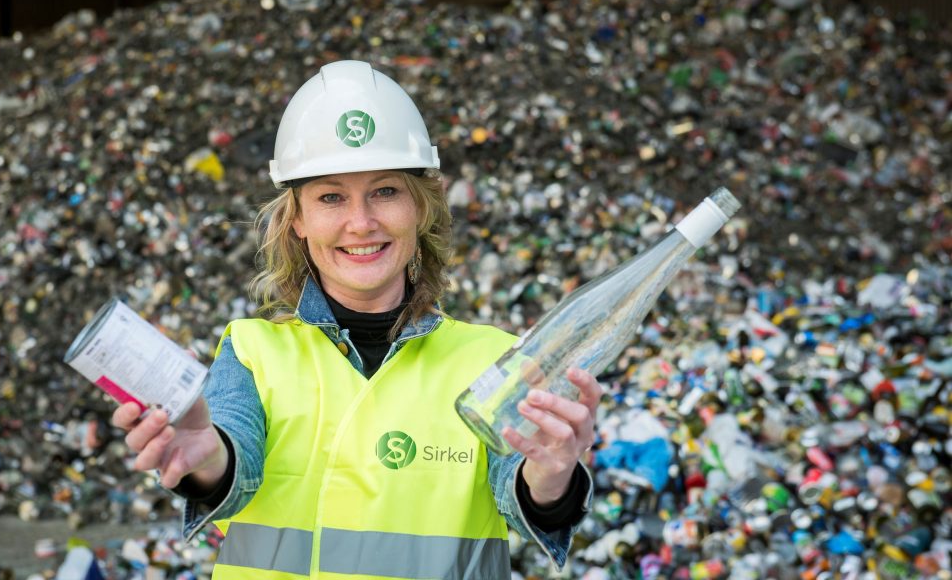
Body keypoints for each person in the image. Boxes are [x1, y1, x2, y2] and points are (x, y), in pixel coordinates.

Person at [111, 60, 603, 579]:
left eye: (385, 191)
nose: (361, 222)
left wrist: (551, 480)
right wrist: (206, 458)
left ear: (421, 206)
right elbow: (235, 461)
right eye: (330, 197)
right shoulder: (254, 351)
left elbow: (519, 488)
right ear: (297, 218)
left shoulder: (494, 359)